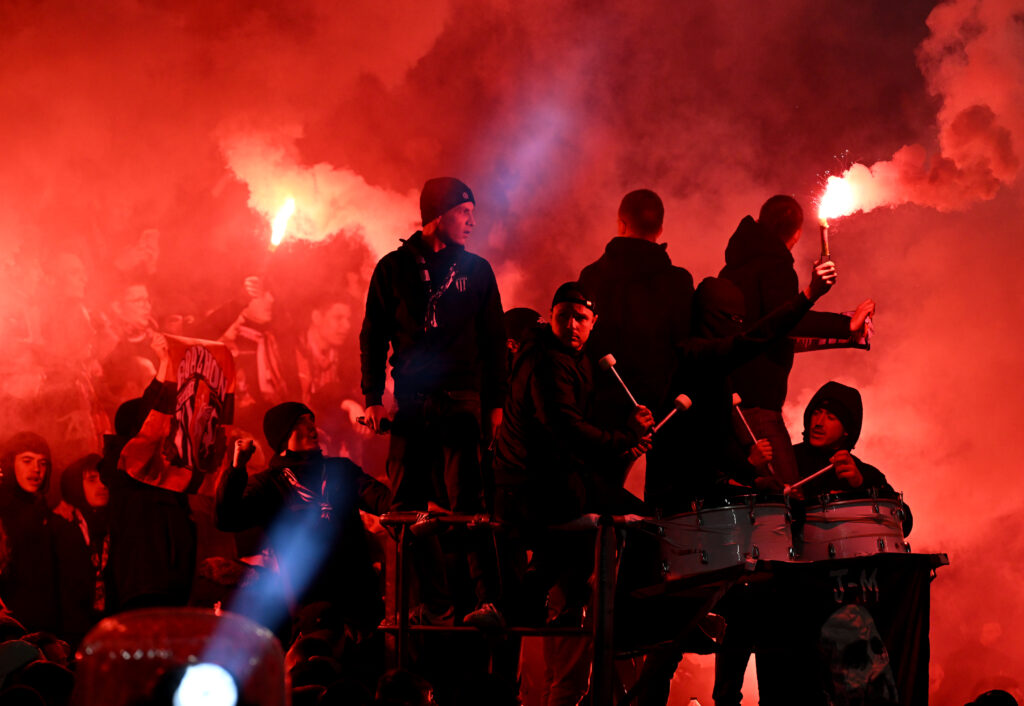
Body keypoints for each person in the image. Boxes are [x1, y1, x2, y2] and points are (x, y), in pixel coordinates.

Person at [493, 282, 653, 706]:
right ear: (551, 316)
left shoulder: (569, 360)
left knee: (606, 516)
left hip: (542, 482)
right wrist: (622, 438)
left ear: (593, 322)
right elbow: (564, 427)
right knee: (633, 521)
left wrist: (625, 436)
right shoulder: (548, 362)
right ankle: (629, 616)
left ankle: (537, 593)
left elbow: (575, 435)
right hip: (532, 487)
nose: (572, 324)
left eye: (580, 317)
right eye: (563, 315)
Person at [359, 177, 506, 624]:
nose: (472, 221)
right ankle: (428, 602)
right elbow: (373, 336)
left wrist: (495, 405)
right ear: (437, 215)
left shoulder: (478, 271)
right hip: (411, 402)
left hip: (463, 400)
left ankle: (486, 602)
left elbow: (495, 342)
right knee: (406, 508)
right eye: (464, 212)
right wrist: (372, 397)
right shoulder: (392, 268)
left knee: (469, 503)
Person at [719, 194, 874, 484]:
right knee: (787, 498)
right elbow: (787, 320)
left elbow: (765, 329)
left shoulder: (734, 267)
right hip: (758, 404)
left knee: (760, 494)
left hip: (731, 396)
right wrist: (846, 325)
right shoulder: (775, 266)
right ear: (798, 232)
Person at [216, 401, 391, 634]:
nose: (312, 428)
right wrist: (237, 469)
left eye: (312, 420)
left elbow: (385, 501)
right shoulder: (269, 483)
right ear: (282, 434)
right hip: (309, 608)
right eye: (302, 421)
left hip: (360, 601)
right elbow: (227, 519)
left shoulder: (340, 469)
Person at [577, 189, 694, 485]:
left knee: (597, 504)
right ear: (661, 228)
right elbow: (684, 347)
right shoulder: (678, 282)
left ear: (621, 222)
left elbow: (580, 343)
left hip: (599, 410)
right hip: (662, 414)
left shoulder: (592, 276)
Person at [0, 433, 61, 635]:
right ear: (10, 463)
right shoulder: (2, 508)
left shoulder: (45, 511)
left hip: (45, 624)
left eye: (42, 463)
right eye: (27, 460)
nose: (36, 469)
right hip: (9, 625)